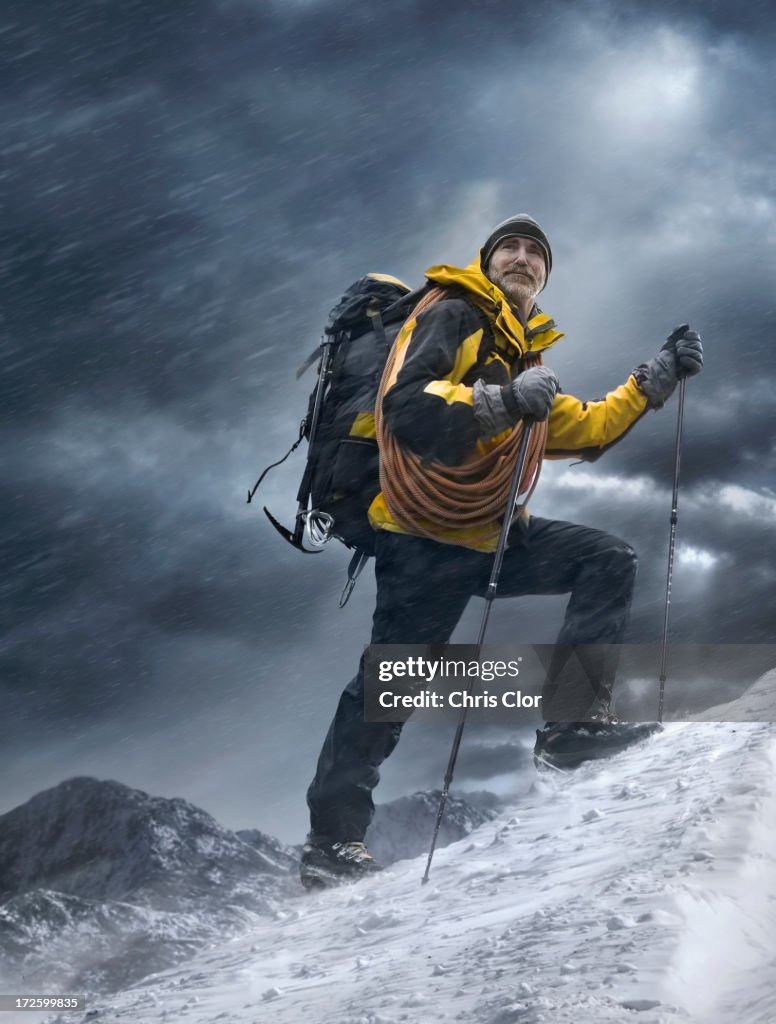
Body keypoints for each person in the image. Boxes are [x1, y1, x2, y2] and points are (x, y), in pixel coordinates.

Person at [300, 214, 703, 888]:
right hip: (421, 538)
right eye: (508, 248)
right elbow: (407, 405)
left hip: (490, 535)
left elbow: (579, 426)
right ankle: (331, 841)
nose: (521, 258)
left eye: (535, 253)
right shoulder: (456, 314)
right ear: (487, 263)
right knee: (390, 687)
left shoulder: (523, 349)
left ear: (544, 274)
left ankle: (570, 727)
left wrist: (652, 379)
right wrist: (501, 400)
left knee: (607, 559)